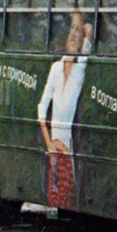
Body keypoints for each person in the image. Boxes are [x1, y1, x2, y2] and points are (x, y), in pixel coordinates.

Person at [38, 11, 92, 209]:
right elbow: (42, 106)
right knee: (54, 196)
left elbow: (86, 53)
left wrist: (88, 36)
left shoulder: (79, 71)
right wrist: (48, 143)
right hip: (54, 147)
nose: (73, 35)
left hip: (67, 149)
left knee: (66, 197)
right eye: (71, 29)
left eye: (78, 31)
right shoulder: (55, 69)